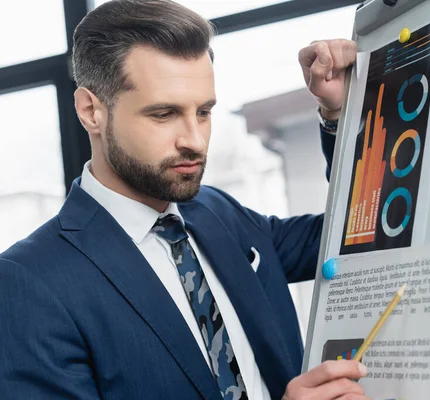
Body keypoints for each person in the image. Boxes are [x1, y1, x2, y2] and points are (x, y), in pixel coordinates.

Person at [0, 1, 368, 399]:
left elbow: (355, 231)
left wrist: (337, 113)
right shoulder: (30, 282)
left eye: (204, 112)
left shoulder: (219, 214)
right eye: (163, 114)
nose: (194, 140)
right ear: (91, 111)